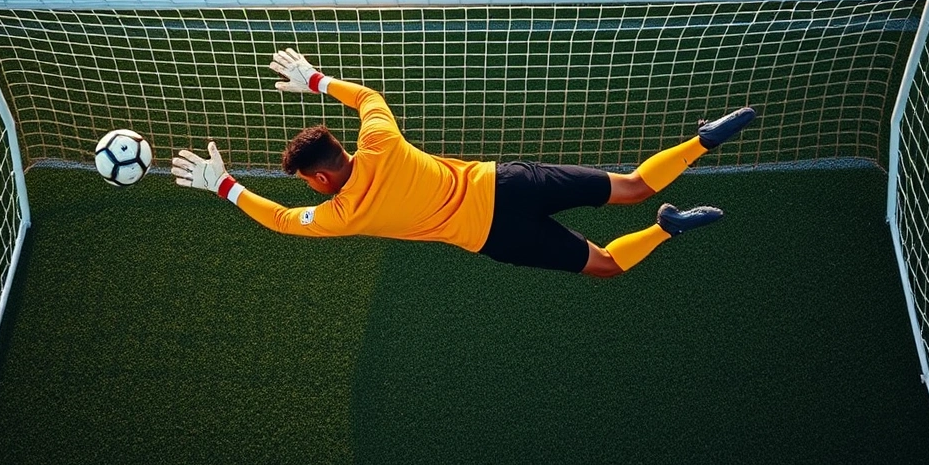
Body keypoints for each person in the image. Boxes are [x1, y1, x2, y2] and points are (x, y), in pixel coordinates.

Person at [171, 48, 755, 278]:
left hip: (494, 235)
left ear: (321, 178)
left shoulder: (343, 214)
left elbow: (280, 219)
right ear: (341, 149)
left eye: (307, 183)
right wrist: (316, 80)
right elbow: (369, 98)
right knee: (632, 185)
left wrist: (224, 185)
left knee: (606, 266)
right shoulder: (380, 142)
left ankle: (666, 228)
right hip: (505, 182)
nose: (311, 190)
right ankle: (701, 141)